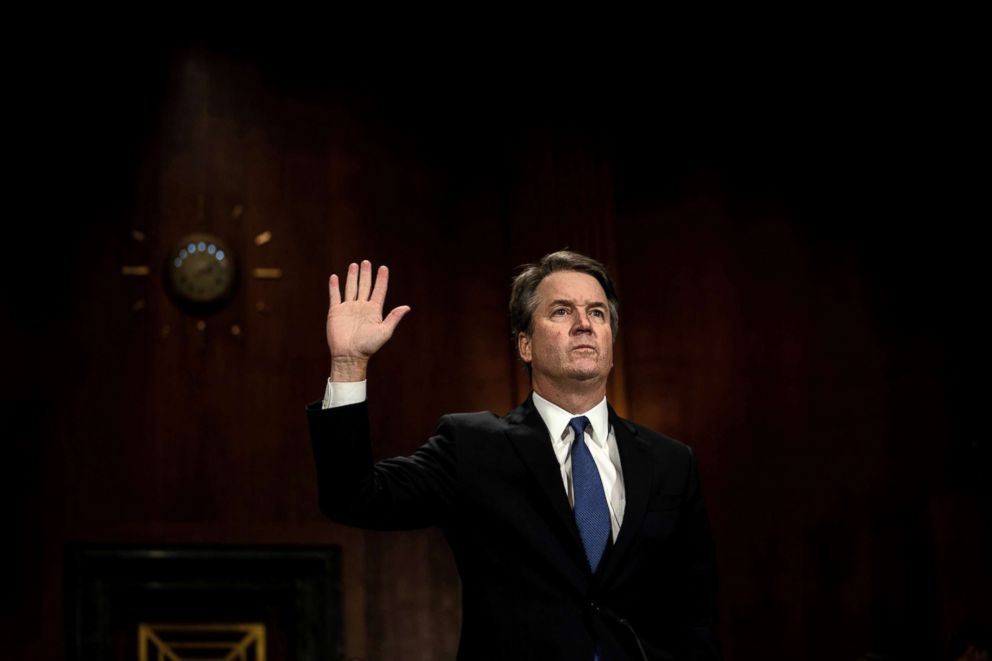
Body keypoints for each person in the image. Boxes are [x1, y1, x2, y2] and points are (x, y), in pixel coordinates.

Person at [308, 251, 721, 660]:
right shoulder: (472, 446)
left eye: (597, 313)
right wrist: (348, 364)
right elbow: (355, 497)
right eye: (561, 311)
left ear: (611, 340)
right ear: (525, 344)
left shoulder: (670, 463)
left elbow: (696, 614)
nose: (584, 324)